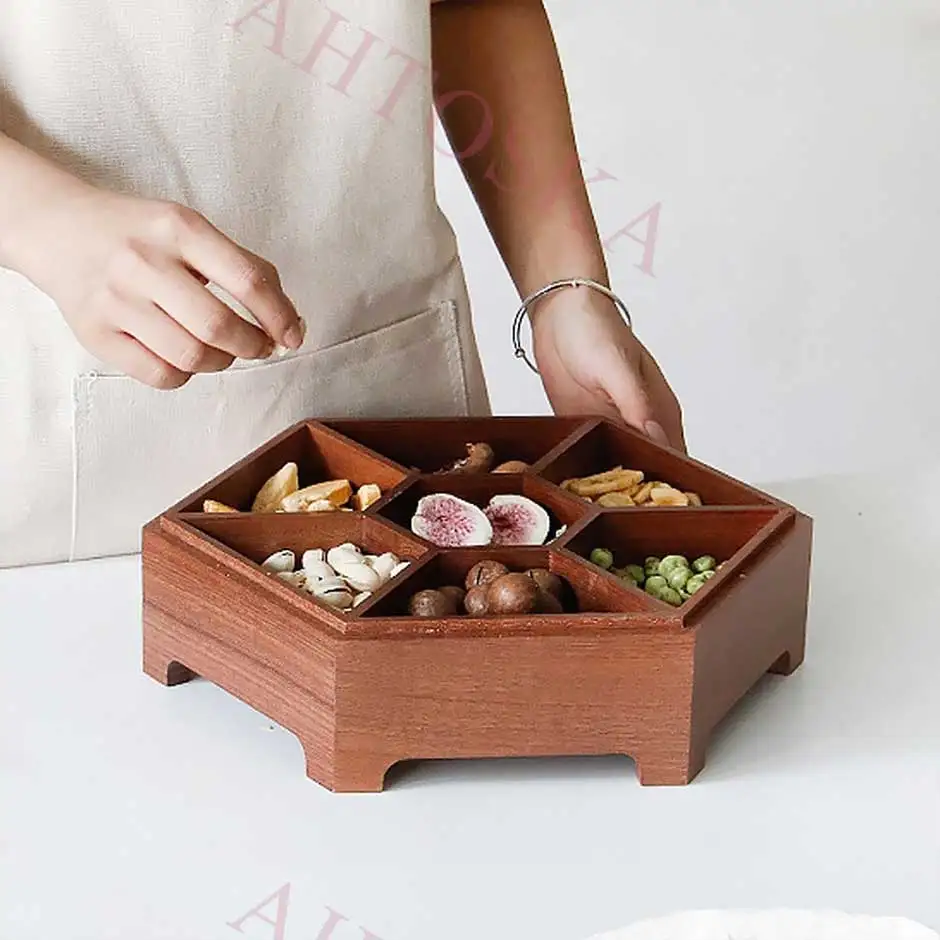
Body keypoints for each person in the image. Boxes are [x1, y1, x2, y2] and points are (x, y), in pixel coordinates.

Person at [0, 0, 684, 568]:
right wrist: (51, 225)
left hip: (391, 384)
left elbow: (472, 5)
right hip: (68, 465)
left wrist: (565, 289)